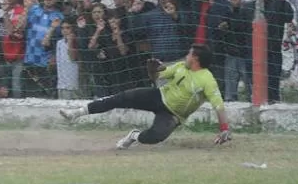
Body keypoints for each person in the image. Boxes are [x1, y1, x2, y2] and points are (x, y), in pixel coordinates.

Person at [61, 44, 231, 149]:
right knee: (119, 98)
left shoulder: (207, 80)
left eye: (189, 54)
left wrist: (224, 129)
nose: (186, 56)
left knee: (155, 137)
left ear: (195, 58)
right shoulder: (181, 66)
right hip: (157, 96)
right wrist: (153, 69)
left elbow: (219, 106)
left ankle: (133, 136)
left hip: (173, 115)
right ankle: (76, 113)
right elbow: (157, 76)